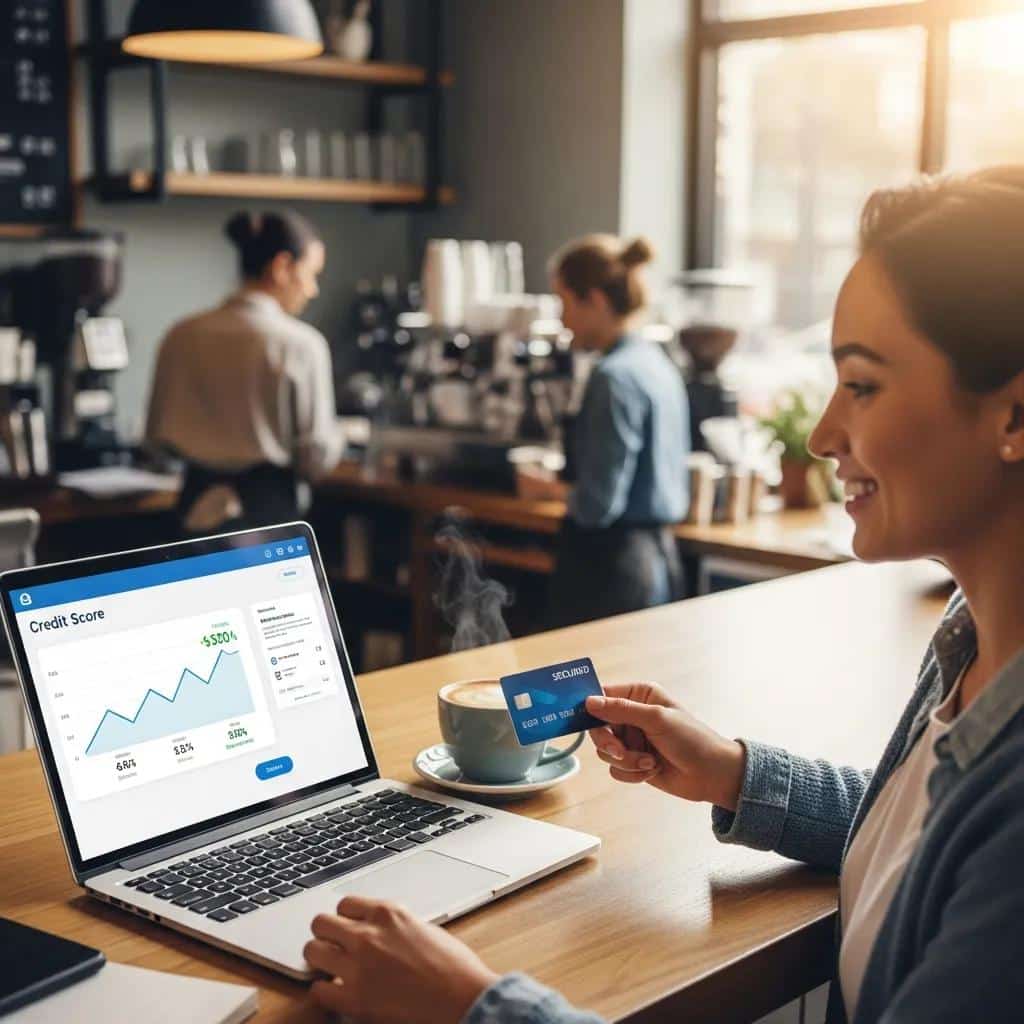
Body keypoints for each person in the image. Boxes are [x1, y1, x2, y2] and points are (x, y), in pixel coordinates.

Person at [301, 168, 1024, 1023]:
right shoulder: (967, 645)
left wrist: (473, 1007)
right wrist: (736, 772)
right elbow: (915, 833)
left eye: (861, 384)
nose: (824, 433)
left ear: (1013, 418)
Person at [146, 210, 345, 533]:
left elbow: (155, 442)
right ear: (281, 267)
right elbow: (314, 459)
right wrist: (342, 436)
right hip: (269, 519)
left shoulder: (180, 335)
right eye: (310, 274)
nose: (313, 290)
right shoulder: (301, 345)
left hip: (191, 513)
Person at [542, 234, 689, 628]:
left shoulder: (612, 378)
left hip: (613, 574)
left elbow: (597, 504)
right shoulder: (658, 364)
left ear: (596, 300)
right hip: (661, 563)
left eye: (564, 301)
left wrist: (545, 489)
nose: (562, 318)